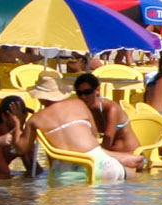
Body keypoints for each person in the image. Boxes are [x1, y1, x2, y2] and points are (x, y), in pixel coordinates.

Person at [17, 74, 145, 181]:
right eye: (80, 93)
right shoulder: (78, 104)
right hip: (97, 162)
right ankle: (122, 159)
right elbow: (93, 134)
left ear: (39, 97)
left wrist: (18, 122)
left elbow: (21, 148)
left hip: (65, 172)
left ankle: (122, 158)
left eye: (87, 92)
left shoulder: (34, 120)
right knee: (135, 180)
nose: (83, 96)